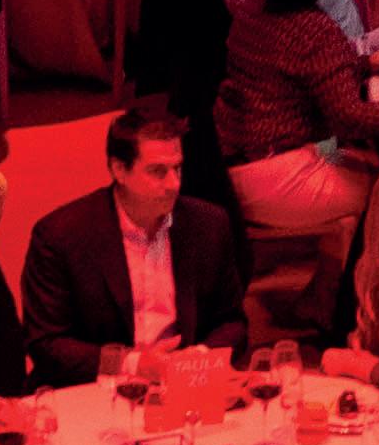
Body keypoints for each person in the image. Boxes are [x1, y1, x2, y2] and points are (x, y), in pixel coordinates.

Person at [22, 107, 245, 366]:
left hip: (184, 378)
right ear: (119, 170)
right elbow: (46, 343)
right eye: (158, 171)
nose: (174, 184)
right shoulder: (60, 236)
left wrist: (200, 356)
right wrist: (133, 364)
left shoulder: (208, 224)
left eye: (177, 168)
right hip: (103, 384)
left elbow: (233, 322)